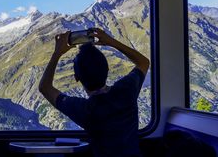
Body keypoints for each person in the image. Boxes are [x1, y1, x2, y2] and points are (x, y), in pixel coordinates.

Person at [39, 28, 150, 157]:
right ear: (107, 69)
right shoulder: (126, 90)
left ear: (76, 77)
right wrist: (111, 42)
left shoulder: (84, 110)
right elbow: (143, 62)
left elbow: (45, 88)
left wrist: (57, 52)